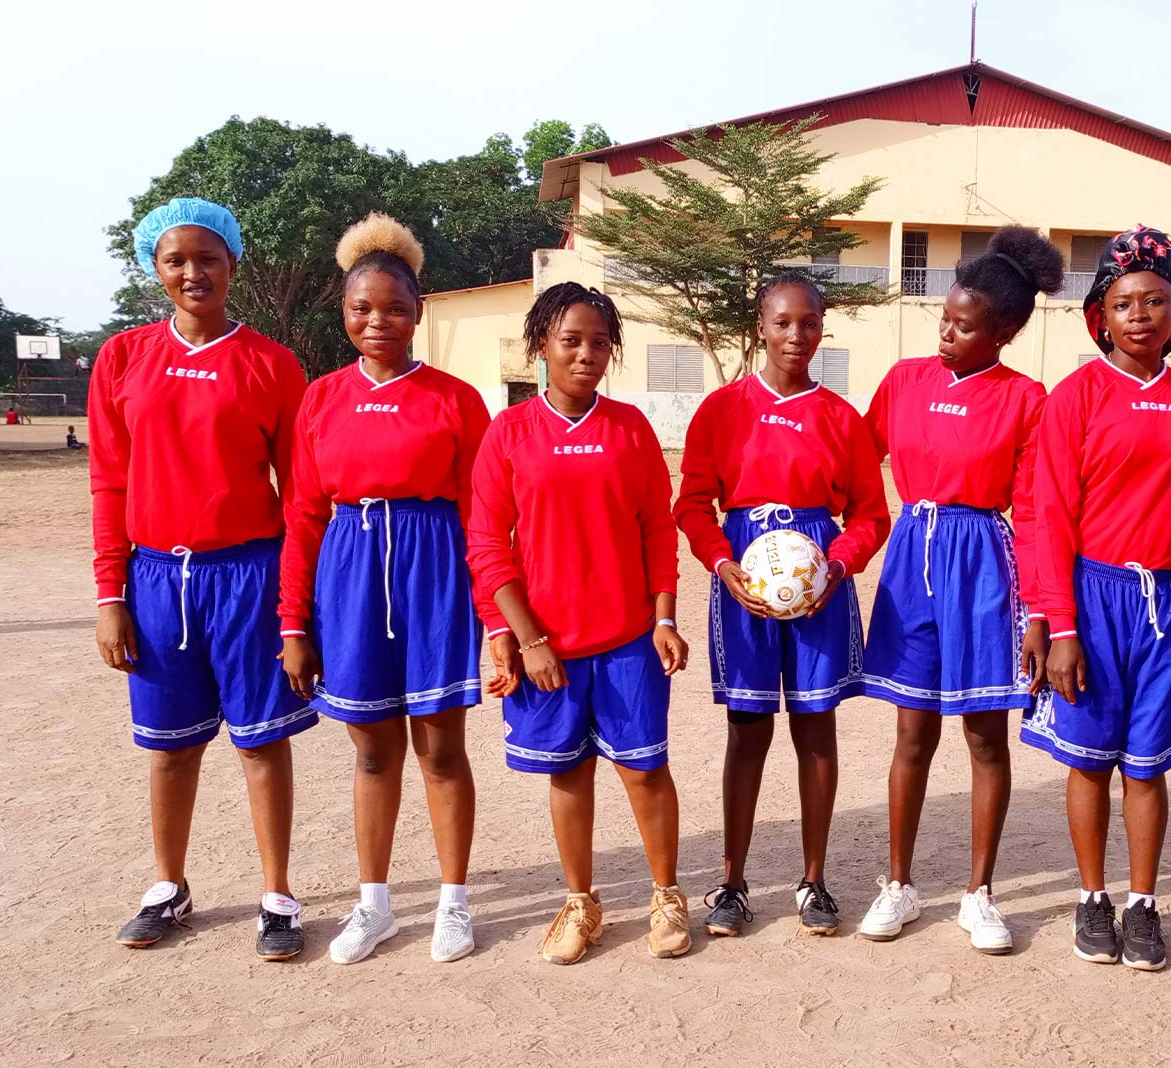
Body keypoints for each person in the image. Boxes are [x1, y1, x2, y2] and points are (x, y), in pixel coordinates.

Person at [90, 197, 316, 961]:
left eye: (208, 258)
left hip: (248, 574)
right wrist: (111, 596)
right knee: (171, 747)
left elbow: (301, 496)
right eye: (175, 260)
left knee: (260, 743)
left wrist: (294, 613)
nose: (193, 272)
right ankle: (169, 885)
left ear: (233, 264)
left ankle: (277, 894)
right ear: (155, 269)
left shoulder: (271, 363)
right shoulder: (123, 358)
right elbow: (107, 485)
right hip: (156, 580)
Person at [277, 214, 492, 966]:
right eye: (361, 308)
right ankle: (374, 906)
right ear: (343, 313)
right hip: (351, 574)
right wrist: (292, 624)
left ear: (419, 311)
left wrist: (493, 618)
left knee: (440, 750)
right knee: (371, 754)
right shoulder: (320, 398)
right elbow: (302, 516)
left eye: (394, 308)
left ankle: (453, 903)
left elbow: (484, 515)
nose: (378, 321)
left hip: (434, 573)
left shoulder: (457, 399)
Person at [472, 282, 692, 965]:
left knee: (645, 770)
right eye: (571, 340)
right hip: (549, 649)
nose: (587, 353)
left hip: (627, 638)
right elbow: (487, 541)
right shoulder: (509, 432)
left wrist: (664, 618)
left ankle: (665, 894)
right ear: (541, 344)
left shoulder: (629, 429)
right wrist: (523, 639)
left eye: (600, 342)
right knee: (568, 774)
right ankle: (581, 903)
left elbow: (658, 529)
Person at [855, 227, 1061, 953]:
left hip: (983, 565)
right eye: (943, 319)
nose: (946, 333)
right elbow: (851, 461)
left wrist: (1039, 611)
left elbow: (1034, 510)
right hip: (914, 555)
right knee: (912, 731)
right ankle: (899, 884)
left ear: (1000, 332)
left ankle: (979, 895)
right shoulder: (905, 381)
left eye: (964, 326)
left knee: (983, 733)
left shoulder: (1027, 399)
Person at [1026, 226, 1171, 972]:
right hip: (1093, 596)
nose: (1139, 313)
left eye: (1154, 301)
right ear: (1100, 317)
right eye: (1122, 302)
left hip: (1166, 602)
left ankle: (1143, 903)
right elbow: (1050, 516)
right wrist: (1061, 625)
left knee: (1148, 765)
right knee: (1089, 760)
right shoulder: (1074, 398)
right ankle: (1092, 897)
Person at [676, 273, 890, 938]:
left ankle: (814, 881)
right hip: (744, 577)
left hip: (818, 582)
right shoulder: (721, 410)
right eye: (783, 323)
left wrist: (840, 562)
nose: (797, 336)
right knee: (747, 729)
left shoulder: (840, 418)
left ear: (822, 330)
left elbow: (871, 513)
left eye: (809, 324)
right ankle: (732, 883)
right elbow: (691, 504)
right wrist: (721, 561)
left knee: (815, 726)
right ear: (760, 328)